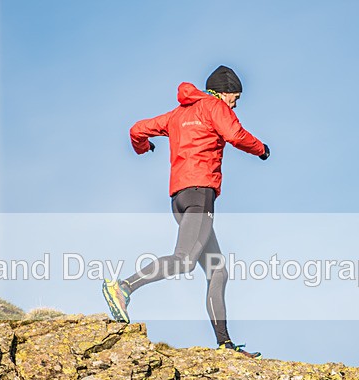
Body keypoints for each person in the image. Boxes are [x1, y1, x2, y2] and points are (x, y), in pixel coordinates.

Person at [102, 65, 269, 358]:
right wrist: (261, 149)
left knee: (218, 270)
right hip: (200, 194)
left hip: (179, 198)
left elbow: (137, 129)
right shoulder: (215, 107)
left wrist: (143, 148)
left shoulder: (178, 114)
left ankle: (225, 345)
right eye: (236, 97)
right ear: (224, 91)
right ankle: (124, 287)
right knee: (185, 260)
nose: (235, 103)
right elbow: (234, 133)